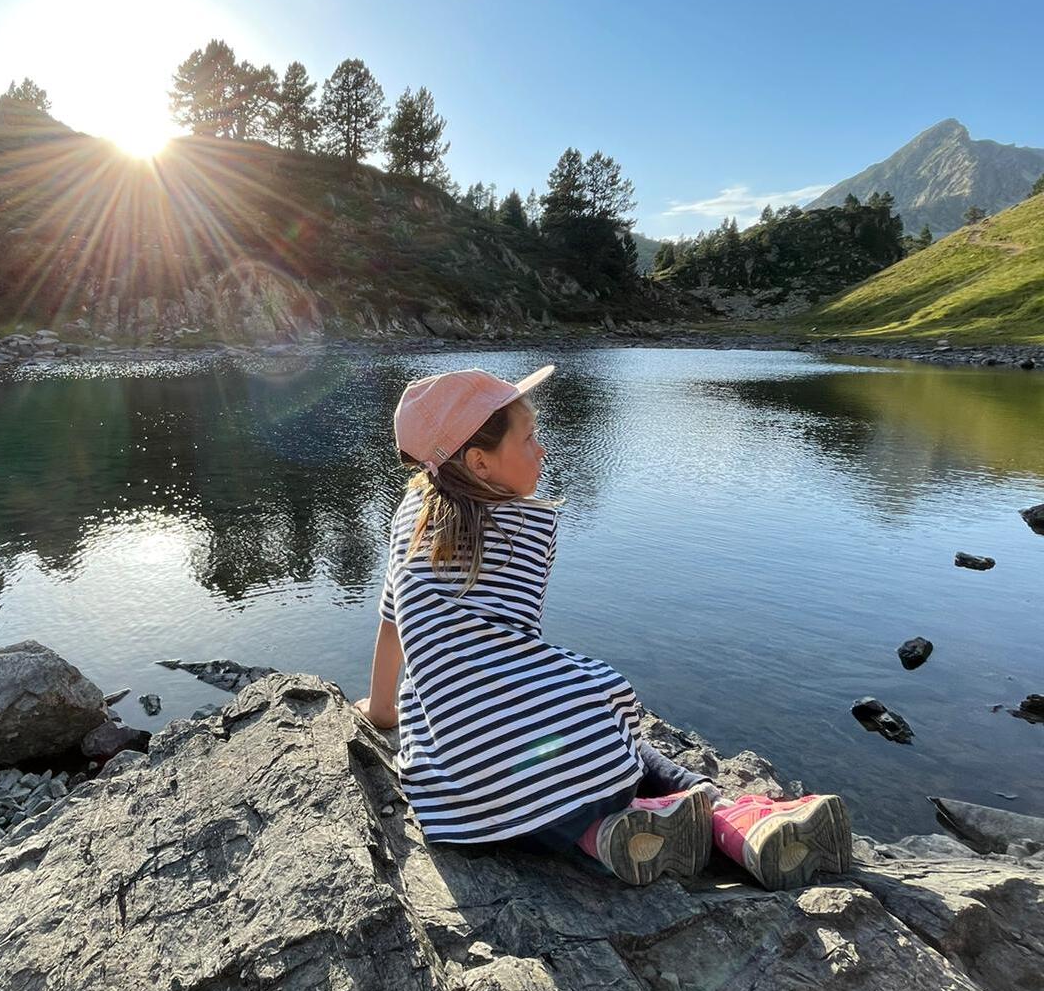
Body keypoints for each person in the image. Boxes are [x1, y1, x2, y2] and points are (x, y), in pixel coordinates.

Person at [356, 363, 852, 890]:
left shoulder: (409, 516)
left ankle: (606, 836)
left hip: (464, 802)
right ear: (479, 463)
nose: (542, 449)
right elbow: (520, 661)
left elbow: (393, 622)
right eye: (529, 439)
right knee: (600, 716)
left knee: (543, 786)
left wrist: (383, 709)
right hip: (550, 763)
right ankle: (728, 817)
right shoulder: (525, 529)